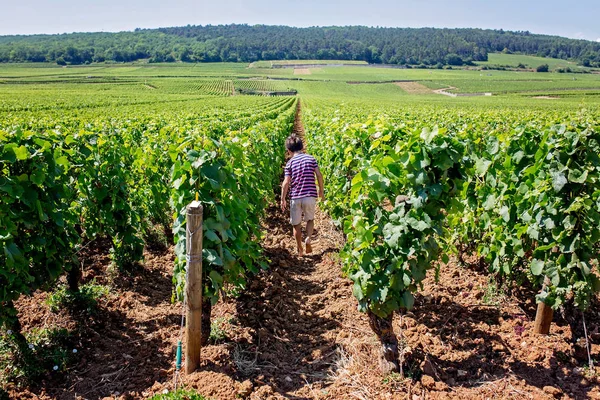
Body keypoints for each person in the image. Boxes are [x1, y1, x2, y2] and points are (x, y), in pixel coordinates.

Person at [280, 135, 324, 256]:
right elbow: (319, 175)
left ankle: (299, 248)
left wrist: (282, 198)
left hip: (295, 197)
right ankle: (308, 238)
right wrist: (321, 191)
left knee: (296, 225)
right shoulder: (311, 159)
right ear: (302, 147)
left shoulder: (289, 164)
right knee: (310, 219)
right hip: (309, 195)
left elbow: (286, 182)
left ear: (289, 151)